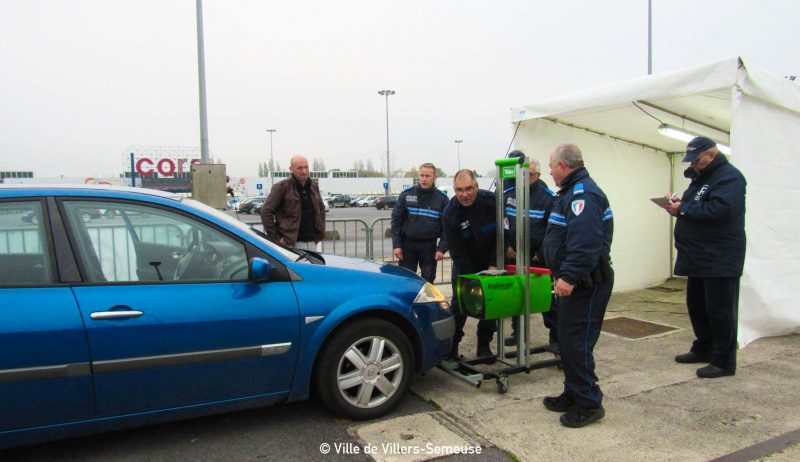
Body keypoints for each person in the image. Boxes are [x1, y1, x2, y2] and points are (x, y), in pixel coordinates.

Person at [540, 143, 614, 428]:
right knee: (568, 342)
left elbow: (585, 244)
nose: (549, 171)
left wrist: (569, 277)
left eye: (551, 166)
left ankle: (589, 403)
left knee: (576, 343)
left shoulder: (584, 195)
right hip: (576, 281)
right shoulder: (571, 192)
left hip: (585, 283)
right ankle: (573, 392)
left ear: (562, 166)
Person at [661, 136, 746, 379]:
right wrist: (678, 203)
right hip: (698, 255)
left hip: (720, 257)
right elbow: (697, 205)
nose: (694, 165)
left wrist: (683, 209)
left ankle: (724, 360)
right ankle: (704, 348)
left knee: (720, 310)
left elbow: (721, 210)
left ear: (711, 155)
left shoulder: (730, 177)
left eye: (697, 160)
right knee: (697, 306)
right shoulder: (702, 179)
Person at [502, 152, 557, 349]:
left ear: (538, 176)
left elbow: (553, 231)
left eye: (529, 175)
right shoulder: (509, 194)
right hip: (514, 257)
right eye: (521, 174)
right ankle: (519, 334)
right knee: (518, 296)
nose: (523, 179)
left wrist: (540, 254)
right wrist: (507, 246)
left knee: (547, 299)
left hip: (538, 258)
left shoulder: (549, 199)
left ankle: (556, 340)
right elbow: (503, 224)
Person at [442, 169, 498, 360]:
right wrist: (472, 280)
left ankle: (484, 345)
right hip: (465, 263)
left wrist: (493, 264)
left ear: (477, 186)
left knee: (491, 303)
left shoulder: (492, 202)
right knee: (460, 305)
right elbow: (457, 252)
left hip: (490, 260)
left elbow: (502, 236)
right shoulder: (450, 214)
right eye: (459, 190)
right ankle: (451, 349)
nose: (464, 195)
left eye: (468, 189)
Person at [391, 163, 449, 282]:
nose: (423, 179)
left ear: (434, 177)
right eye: (421, 175)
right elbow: (396, 221)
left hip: (429, 247)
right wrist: (396, 245)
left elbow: (447, 228)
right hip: (407, 246)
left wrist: (442, 249)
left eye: (427, 176)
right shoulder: (407, 195)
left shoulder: (442, 199)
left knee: (427, 281)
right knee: (405, 280)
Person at [260, 155, 326, 250]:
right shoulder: (281, 187)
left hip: (312, 243)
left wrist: (321, 231)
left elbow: (321, 209)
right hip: (290, 245)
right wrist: (277, 239)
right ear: (291, 169)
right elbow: (266, 212)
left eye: (306, 167)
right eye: (299, 168)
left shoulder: (313, 186)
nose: (304, 171)